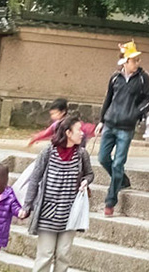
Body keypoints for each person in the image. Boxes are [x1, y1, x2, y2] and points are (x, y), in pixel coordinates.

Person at [21, 115, 93, 272]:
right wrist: (27, 205)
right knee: (45, 255)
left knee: (63, 255)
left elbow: (89, 174)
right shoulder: (48, 152)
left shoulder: (82, 154)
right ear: (68, 133)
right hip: (47, 212)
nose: (82, 133)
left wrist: (85, 181)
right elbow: (35, 178)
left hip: (70, 213)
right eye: (79, 130)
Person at [98, 42, 149, 218]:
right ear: (125, 61)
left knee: (118, 163)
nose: (136, 63)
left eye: (137, 60)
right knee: (102, 158)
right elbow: (108, 99)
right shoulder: (115, 78)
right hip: (110, 123)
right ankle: (122, 179)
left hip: (126, 127)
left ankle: (110, 201)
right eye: (133, 60)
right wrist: (101, 120)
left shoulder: (143, 78)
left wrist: (136, 113)